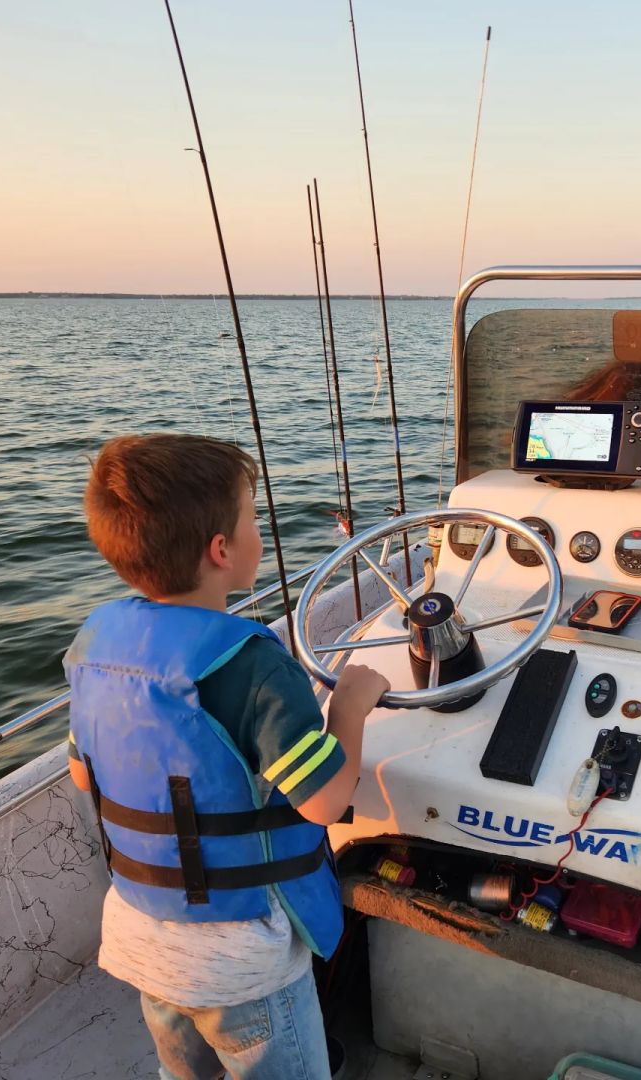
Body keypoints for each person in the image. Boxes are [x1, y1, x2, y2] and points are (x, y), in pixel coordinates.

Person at [65, 433, 389, 1080]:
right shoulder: (254, 667)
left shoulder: (96, 642)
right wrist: (349, 709)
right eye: (252, 518)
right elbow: (325, 802)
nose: (258, 531)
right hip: (242, 966)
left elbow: (82, 773)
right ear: (222, 550)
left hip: (142, 940)